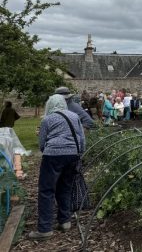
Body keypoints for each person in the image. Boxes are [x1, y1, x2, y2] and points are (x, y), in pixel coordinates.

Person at [28, 94, 85, 240]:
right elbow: (81, 138)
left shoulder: (47, 119)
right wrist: (79, 153)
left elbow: (42, 142)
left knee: (46, 190)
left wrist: (46, 151)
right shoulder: (74, 116)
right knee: (65, 188)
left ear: (50, 105)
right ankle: (65, 221)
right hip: (73, 154)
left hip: (53, 155)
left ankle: (45, 229)